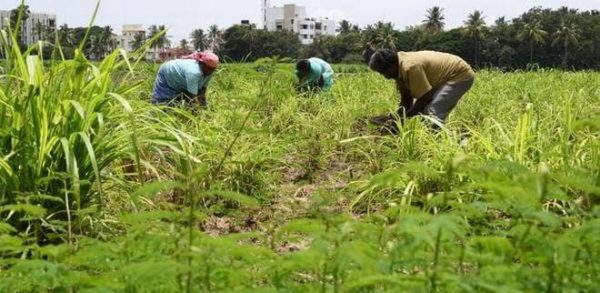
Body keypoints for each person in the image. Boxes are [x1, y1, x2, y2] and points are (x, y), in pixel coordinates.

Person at [368, 50, 475, 133]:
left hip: (459, 74)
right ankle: (436, 136)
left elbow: (424, 97)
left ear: (392, 65)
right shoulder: (399, 70)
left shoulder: (410, 67)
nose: (386, 77)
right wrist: (395, 118)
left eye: (384, 72)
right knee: (425, 111)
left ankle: (437, 144)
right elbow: (406, 99)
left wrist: (404, 119)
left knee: (432, 111)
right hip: (443, 77)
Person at [151, 50, 219, 108]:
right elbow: (193, 97)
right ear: (202, 64)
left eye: (213, 69)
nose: (211, 72)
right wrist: (199, 115)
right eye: (209, 69)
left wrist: (204, 106)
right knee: (161, 100)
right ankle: (151, 116)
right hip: (168, 71)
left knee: (182, 99)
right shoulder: (193, 72)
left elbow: (202, 91)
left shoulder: (209, 73)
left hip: (181, 77)